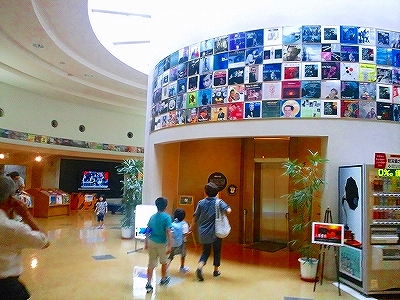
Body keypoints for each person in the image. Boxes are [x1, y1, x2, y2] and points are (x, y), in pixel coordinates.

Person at [0, 176, 50, 299]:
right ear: (11, 199)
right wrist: (26, 215)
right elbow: (44, 241)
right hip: (5, 287)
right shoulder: (13, 228)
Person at [190, 182, 231, 281]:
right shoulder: (219, 202)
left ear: (206, 192)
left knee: (205, 252)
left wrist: (191, 227)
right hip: (216, 232)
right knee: (217, 251)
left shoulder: (201, 203)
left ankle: (200, 267)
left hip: (203, 232)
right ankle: (216, 271)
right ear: (217, 192)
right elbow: (228, 210)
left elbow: (195, 217)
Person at [144, 197, 172, 294]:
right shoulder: (167, 217)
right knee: (164, 262)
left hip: (152, 241)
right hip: (162, 243)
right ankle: (163, 279)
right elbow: (168, 232)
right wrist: (170, 245)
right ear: (166, 206)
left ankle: (148, 283)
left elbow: (148, 229)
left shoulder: (152, 217)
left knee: (151, 263)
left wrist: (146, 242)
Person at [167, 208, 190, 274]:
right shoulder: (184, 224)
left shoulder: (172, 223)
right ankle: (182, 268)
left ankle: (166, 268)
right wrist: (189, 233)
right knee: (183, 255)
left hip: (172, 243)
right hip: (181, 243)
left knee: (170, 257)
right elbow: (185, 234)